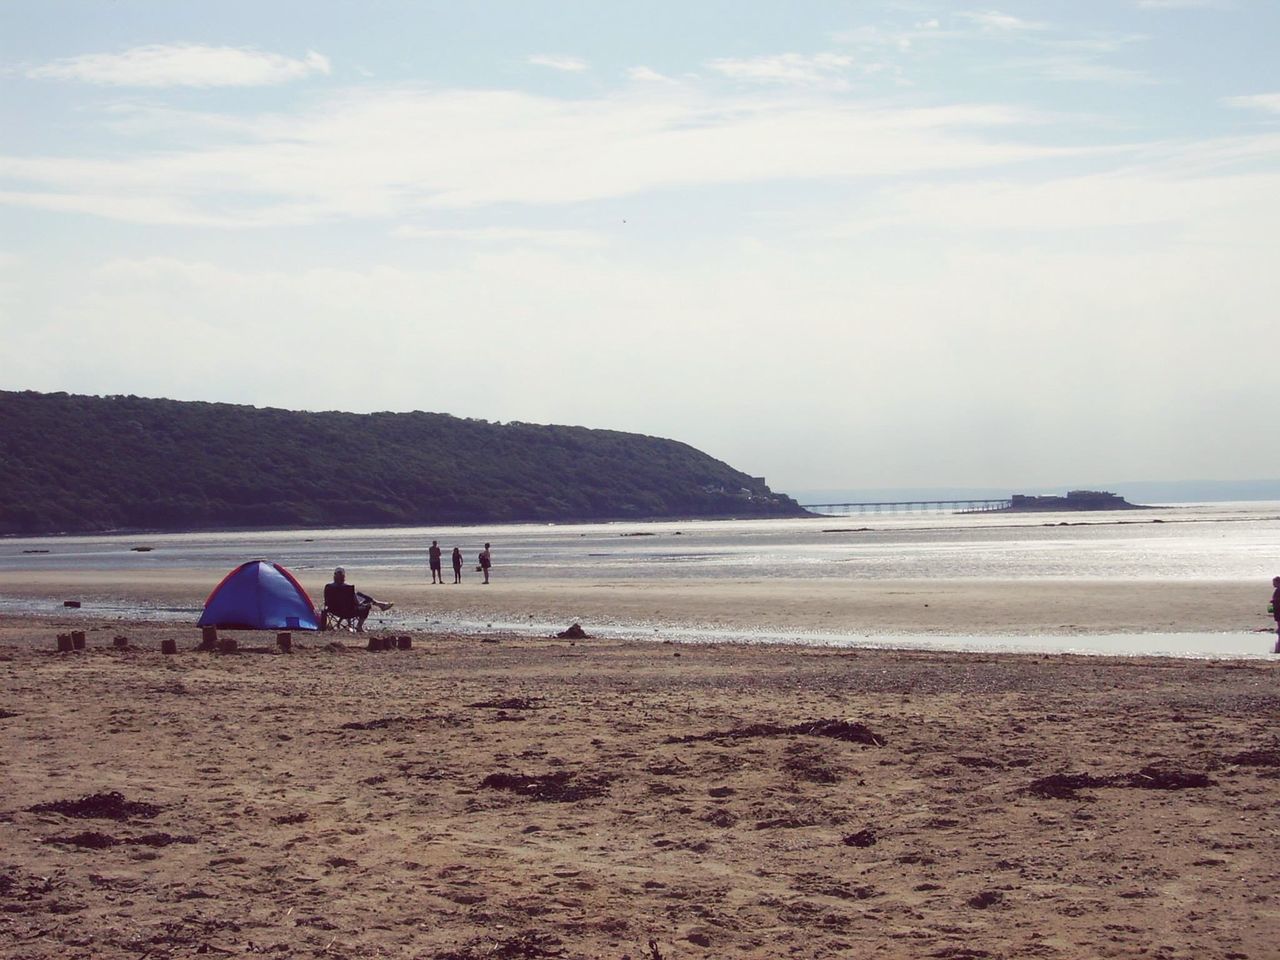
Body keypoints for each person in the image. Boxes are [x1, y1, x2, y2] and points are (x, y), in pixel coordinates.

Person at [323, 566, 392, 633]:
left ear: (334, 576)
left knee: (357, 594)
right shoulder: (348, 588)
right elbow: (356, 603)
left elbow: (326, 601)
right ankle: (359, 626)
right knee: (366, 605)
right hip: (349, 611)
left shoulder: (328, 587)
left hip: (333, 610)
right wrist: (362, 604)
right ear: (344, 576)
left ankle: (381, 605)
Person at [1272, 576, 1280, 653]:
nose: (1273, 584)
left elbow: (1277, 600)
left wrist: (1274, 601)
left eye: (1274, 582)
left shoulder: (1278, 590)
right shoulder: (1277, 590)